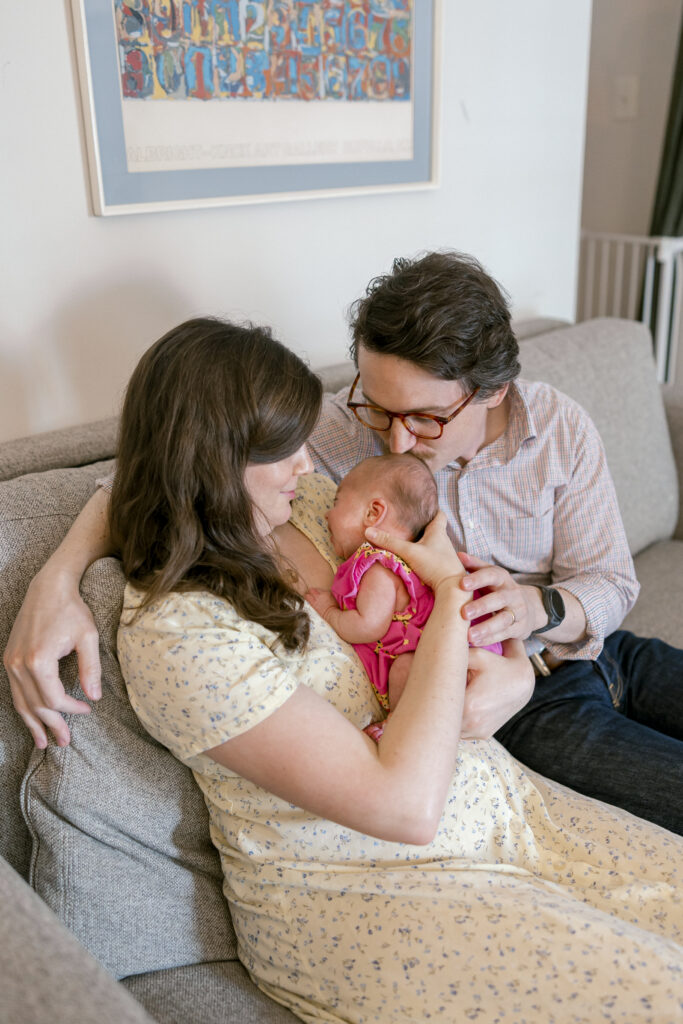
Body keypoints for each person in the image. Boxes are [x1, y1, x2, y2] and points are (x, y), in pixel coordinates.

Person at [104, 317, 679, 1021]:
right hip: (376, 888)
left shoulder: (313, 509)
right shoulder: (181, 632)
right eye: (283, 449)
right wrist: (442, 598)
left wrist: (520, 677)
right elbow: (404, 808)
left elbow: (481, 606)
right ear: (211, 457)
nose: (308, 465)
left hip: (510, 809)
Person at [5, 250, 683, 834]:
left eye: (424, 418)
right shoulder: (333, 433)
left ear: (492, 391)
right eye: (377, 409)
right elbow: (165, 470)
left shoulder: (559, 427)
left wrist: (540, 612)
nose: (393, 440)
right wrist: (54, 580)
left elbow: (613, 582)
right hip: (519, 704)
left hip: (603, 649)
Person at [306, 453, 502, 739]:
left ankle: (400, 726)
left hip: (455, 663)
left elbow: (369, 625)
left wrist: (328, 613)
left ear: (373, 513)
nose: (326, 514)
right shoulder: (391, 563)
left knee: (404, 670)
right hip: (458, 665)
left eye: (336, 502)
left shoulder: (379, 566)